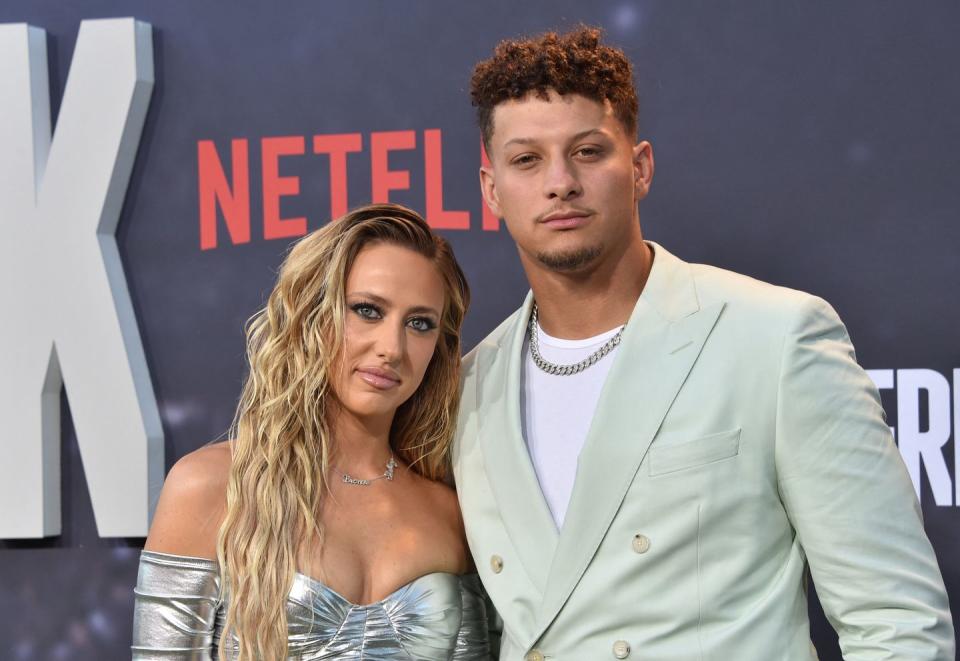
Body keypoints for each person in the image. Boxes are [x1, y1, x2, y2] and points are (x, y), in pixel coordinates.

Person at [452, 26, 954, 660]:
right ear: (491, 189)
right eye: (527, 159)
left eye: (587, 151)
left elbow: (897, 619)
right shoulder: (470, 389)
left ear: (639, 169)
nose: (560, 183)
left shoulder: (775, 339)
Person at [132, 204, 489, 660]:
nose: (391, 348)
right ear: (310, 315)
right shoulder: (212, 486)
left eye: (419, 324)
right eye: (367, 310)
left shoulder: (449, 512)